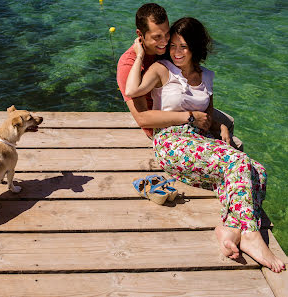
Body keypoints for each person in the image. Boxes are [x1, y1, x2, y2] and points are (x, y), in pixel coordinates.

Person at [124, 16, 285, 273]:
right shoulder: (162, 69)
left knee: (258, 170)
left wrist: (220, 126)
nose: (176, 52)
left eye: (183, 47)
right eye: (173, 45)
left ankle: (230, 228)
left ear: (195, 48)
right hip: (172, 142)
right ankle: (252, 236)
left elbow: (207, 117)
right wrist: (140, 54)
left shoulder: (207, 76)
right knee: (239, 162)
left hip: (201, 142)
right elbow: (132, 91)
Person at [117, 3, 243, 150]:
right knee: (236, 145)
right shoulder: (129, 64)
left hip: (184, 105)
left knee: (228, 123)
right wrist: (190, 117)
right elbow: (142, 118)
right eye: (157, 37)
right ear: (140, 35)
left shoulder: (167, 48)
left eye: (166, 34)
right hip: (165, 127)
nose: (164, 42)